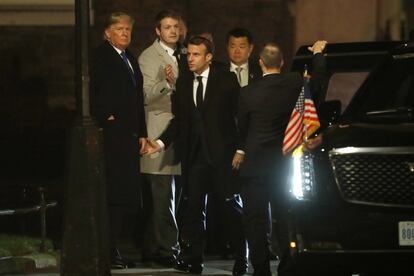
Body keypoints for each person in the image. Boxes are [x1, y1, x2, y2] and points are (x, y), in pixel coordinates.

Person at [145, 36, 248, 275]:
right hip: (196, 157)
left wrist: (241, 149)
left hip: (223, 156)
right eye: (188, 54)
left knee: (230, 208)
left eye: (196, 55)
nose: (190, 59)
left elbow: (241, 116)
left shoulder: (226, 79)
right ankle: (194, 260)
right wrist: (159, 143)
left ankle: (242, 257)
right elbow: (179, 121)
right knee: (193, 210)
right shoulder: (183, 84)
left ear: (208, 57)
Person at [236, 40, 327, 276]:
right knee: (284, 217)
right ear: (282, 63)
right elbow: (317, 82)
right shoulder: (295, 83)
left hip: (254, 166)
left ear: (260, 63)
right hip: (283, 164)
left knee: (255, 221)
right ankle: (287, 267)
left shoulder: (247, 93)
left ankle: (261, 269)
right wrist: (318, 54)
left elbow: (242, 129)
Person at [89, 12, 147, 269]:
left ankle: (118, 248)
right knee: (113, 195)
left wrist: (143, 133)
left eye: (127, 29)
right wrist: (106, 116)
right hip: (112, 137)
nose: (125, 33)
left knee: (127, 198)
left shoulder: (130, 58)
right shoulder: (100, 57)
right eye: (120, 29)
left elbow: (137, 100)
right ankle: (109, 250)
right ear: (108, 32)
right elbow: (92, 90)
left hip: (130, 136)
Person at [138, 9, 182, 267]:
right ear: (158, 31)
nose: (173, 31)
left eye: (175, 26)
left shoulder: (185, 52)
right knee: (161, 195)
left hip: (179, 132)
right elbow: (145, 96)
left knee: (172, 196)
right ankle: (167, 249)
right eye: (167, 27)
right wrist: (167, 83)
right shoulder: (148, 57)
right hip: (158, 130)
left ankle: (156, 247)